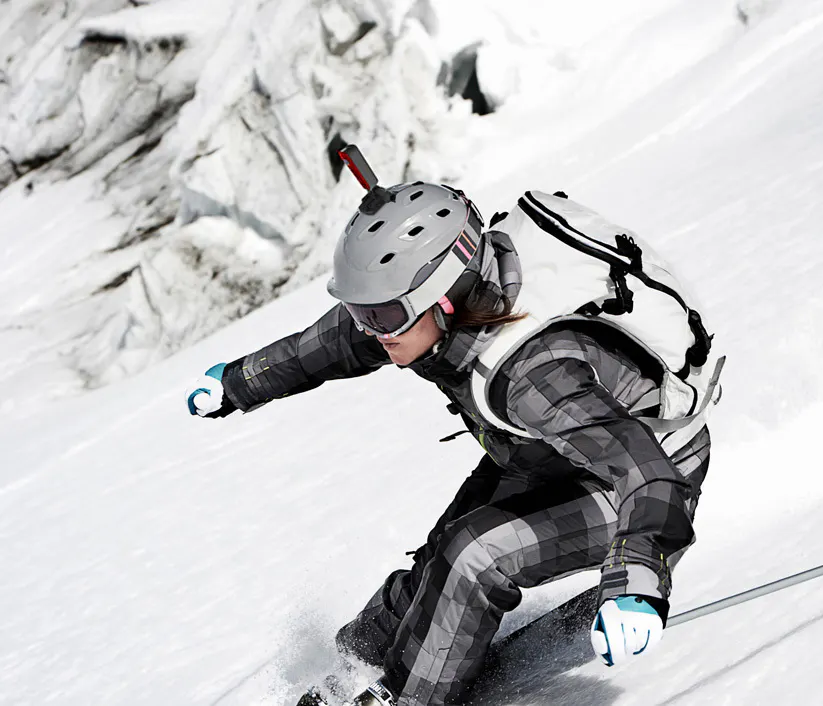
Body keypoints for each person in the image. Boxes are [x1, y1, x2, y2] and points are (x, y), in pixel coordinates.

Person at [186, 149, 721, 706]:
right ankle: (359, 661)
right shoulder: (423, 318)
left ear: (443, 297)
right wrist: (240, 381)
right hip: (544, 450)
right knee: (442, 554)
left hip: (647, 480)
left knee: (474, 554)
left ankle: (410, 698)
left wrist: (638, 580)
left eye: (383, 316)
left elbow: (645, 473)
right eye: (363, 311)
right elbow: (330, 345)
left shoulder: (533, 377)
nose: (372, 331)